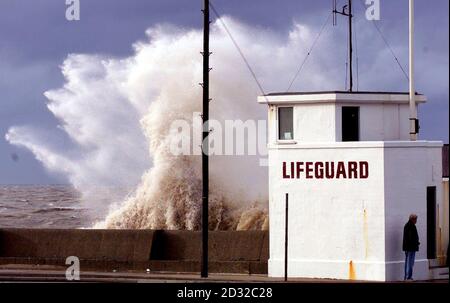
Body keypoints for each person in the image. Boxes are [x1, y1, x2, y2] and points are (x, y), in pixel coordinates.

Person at [403, 214, 420, 280]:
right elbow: (411, 238)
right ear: (413, 219)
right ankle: (408, 277)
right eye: (416, 219)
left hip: (408, 247)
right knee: (410, 263)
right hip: (411, 247)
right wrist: (416, 243)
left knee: (408, 262)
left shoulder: (407, 225)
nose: (416, 221)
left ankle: (406, 277)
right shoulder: (411, 226)